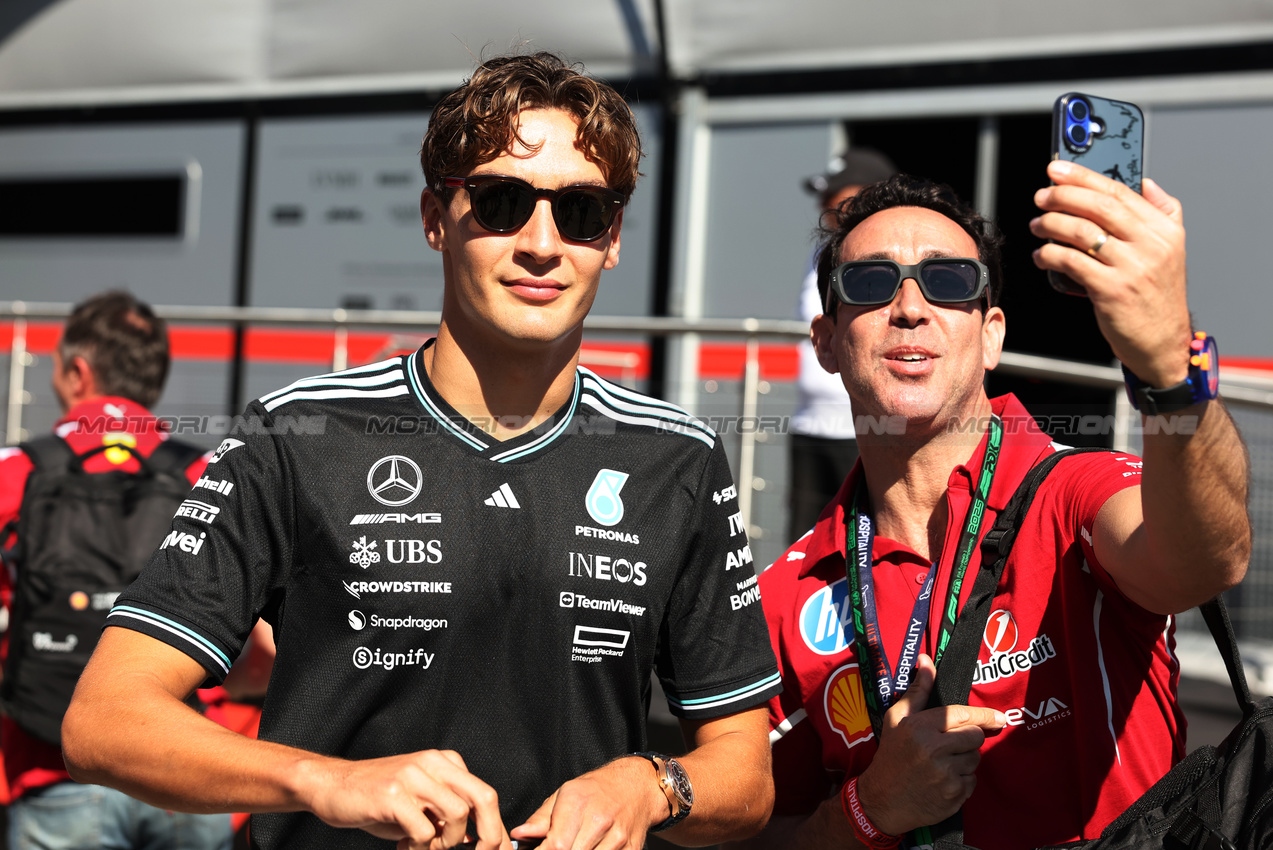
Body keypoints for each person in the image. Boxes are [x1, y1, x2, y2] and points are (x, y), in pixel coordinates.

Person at [63, 52, 781, 850]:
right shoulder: (296, 434)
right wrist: (324, 779)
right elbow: (104, 720)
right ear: (436, 218)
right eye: (502, 202)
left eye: (580, 213)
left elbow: (746, 775)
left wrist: (651, 786)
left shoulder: (675, 458)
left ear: (610, 239)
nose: (542, 244)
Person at [733, 167, 1250, 849]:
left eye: (947, 282)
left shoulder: (1071, 492)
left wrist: (1169, 375)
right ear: (826, 341)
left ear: (991, 336)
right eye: (870, 283)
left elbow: (1204, 563)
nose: (910, 308)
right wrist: (868, 809)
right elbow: (760, 836)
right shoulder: (787, 593)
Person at [0, 291, 235, 850]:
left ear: (77, 372)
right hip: (186, 778)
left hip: (51, 772)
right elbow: (267, 649)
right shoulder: (209, 474)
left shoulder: (18, 471)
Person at [789, 149, 898, 540]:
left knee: (861, 544)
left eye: (834, 194)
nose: (823, 204)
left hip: (861, 429)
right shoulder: (823, 251)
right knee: (805, 544)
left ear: (868, 193)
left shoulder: (887, 258)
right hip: (810, 423)